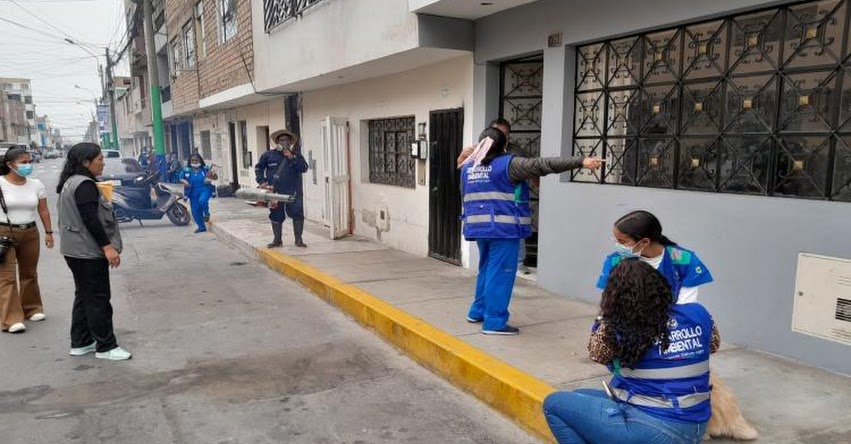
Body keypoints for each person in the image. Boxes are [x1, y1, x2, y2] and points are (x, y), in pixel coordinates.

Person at [596, 210, 758, 440]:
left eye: (622, 241)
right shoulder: (615, 261)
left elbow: (686, 308)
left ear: (644, 242)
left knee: (685, 376)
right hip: (633, 331)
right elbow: (611, 302)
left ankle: (710, 420)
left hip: (674, 327)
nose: (616, 246)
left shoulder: (684, 260)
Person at [544, 259, 717, 444]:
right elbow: (713, 345)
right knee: (579, 394)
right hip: (695, 426)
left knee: (553, 404)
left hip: (655, 428)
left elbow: (596, 354)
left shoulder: (617, 327)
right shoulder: (697, 312)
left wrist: (605, 315)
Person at [461, 127, 603, 335]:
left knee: (487, 269)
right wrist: (581, 161)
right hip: (503, 229)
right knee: (501, 274)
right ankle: (494, 322)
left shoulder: (468, 167)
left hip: (478, 227)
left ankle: (477, 311)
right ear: (504, 146)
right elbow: (543, 165)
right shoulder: (509, 164)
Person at [56, 143, 131, 360]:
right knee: (98, 298)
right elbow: (91, 219)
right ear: (85, 162)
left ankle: (81, 342)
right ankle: (106, 347)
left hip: (74, 250)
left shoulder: (70, 182)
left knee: (84, 295)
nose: (103, 162)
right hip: (87, 252)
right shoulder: (85, 185)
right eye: (99, 158)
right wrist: (107, 247)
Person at [0, 147, 53, 334]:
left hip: (30, 231)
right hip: (4, 232)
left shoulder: (36, 184)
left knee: (29, 273)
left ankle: (32, 308)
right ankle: (10, 318)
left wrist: (49, 232)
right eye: (23, 163)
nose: (28, 165)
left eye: (29, 161)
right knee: (6, 277)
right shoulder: (0, 183)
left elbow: (43, 210)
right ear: (10, 164)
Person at [255, 129, 309, 248]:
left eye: (287, 140)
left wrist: (292, 157)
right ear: (277, 142)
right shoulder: (268, 155)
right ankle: (277, 240)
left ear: (290, 142)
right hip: (275, 192)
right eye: (282, 140)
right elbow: (258, 168)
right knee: (276, 215)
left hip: (293, 192)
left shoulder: (297, 155)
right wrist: (262, 181)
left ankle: (299, 240)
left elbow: (304, 168)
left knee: (297, 214)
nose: (284, 142)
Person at [180, 154, 217, 233]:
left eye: (196, 160)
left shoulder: (205, 169)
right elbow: (181, 178)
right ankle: (201, 227)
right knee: (195, 211)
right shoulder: (186, 170)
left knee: (202, 201)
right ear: (190, 162)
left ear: (200, 160)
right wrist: (185, 182)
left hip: (205, 189)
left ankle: (206, 214)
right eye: (192, 160)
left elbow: (215, 177)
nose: (194, 162)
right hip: (192, 192)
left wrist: (212, 175)